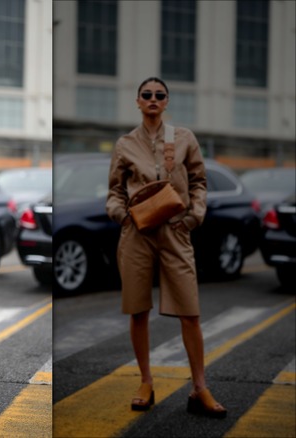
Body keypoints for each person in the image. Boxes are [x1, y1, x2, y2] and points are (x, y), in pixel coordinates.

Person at [106, 77, 227, 418]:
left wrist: (193, 217)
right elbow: (115, 190)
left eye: (159, 95)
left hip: (176, 230)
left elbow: (199, 181)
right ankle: (145, 382)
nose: (153, 99)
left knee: (190, 311)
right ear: (138, 101)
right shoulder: (125, 144)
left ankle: (200, 387)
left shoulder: (184, 138)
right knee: (138, 309)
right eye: (147, 95)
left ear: (167, 101)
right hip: (137, 233)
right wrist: (122, 216)